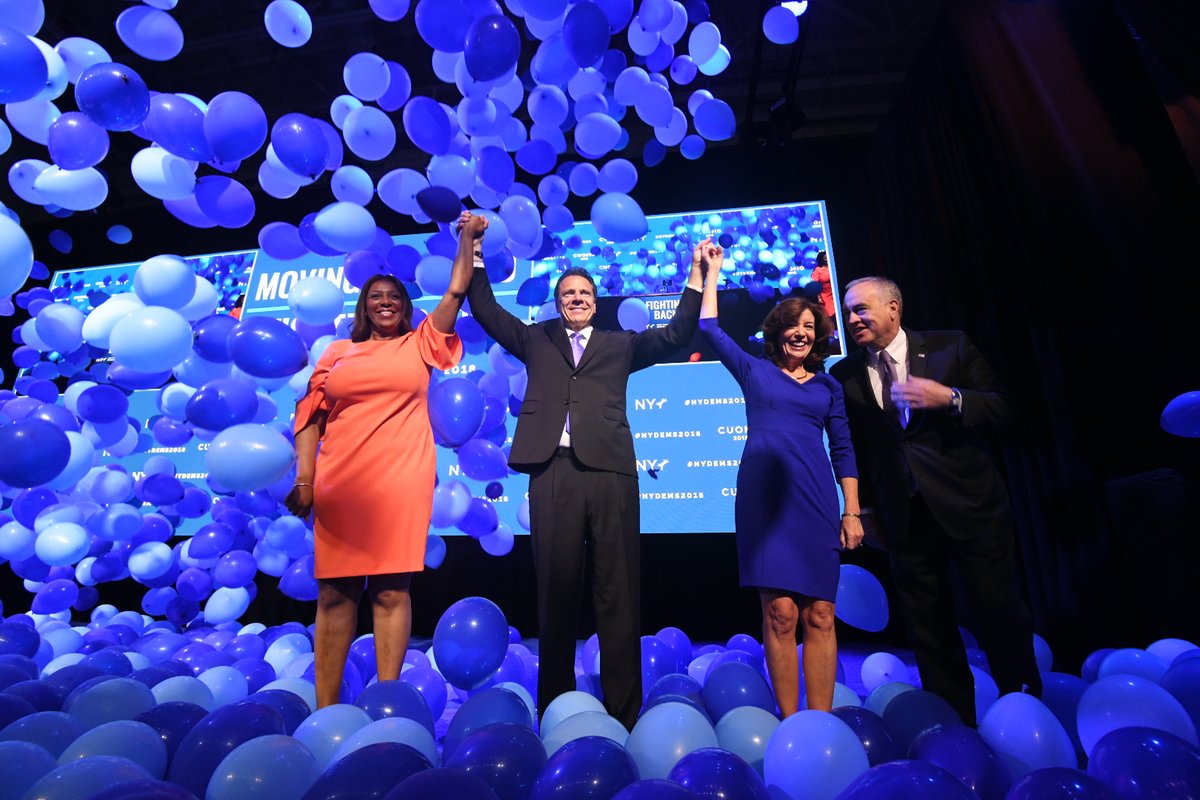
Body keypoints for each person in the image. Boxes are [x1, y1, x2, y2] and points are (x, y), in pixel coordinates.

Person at [465, 228, 708, 729]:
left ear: (596, 304)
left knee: (617, 589)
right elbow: (487, 310)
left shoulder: (621, 345)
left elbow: (676, 335)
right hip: (553, 471)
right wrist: (475, 255)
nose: (577, 299)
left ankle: (624, 711)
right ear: (557, 304)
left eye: (585, 294)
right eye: (568, 294)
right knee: (556, 589)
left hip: (611, 472)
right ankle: (555, 704)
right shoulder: (536, 339)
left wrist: (695, 277)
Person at [285, 215, 484, 708]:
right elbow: (309, 415)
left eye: (393, 296)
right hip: (339, 483)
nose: (385, 302)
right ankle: (325, 708)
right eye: (375, 296)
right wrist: (305, 480)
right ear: (363, 305)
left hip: (400, 482)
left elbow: (456, 292)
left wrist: (466, 239)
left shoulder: (421, 343)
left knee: (392, 593)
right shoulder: (337, 352)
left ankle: (386, 703)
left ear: (404, 305)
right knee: (334, 596)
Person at [828, 276, 1041, 725]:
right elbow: (856, 450)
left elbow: (1003, 407)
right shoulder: (843, 375)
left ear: (893, 309)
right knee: (928, 627)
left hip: (971, 508)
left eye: (861, 309)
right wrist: (864, 509)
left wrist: (950, 397)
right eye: (848, 312)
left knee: (998, 612)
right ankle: (953, 721)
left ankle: (1022, 709)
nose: (852, 319)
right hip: (903, 517)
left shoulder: (950, 347)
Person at [697, 243, 862, 715]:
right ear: (778, 331)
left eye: (810, 326)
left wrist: (851, 510)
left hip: (816, 502)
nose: (802, 333)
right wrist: (714, 271)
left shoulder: (829, 386)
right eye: (793, 324)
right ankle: (792, 722)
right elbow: (709, 326)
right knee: (782, 613)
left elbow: (844, 450)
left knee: (822, 612)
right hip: (765, 503)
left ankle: (822, 721)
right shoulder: (755, 371)